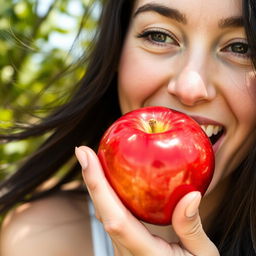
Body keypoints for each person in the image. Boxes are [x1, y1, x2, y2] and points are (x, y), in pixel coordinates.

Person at [0, 0, 256, 255]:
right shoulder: (42, 239)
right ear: (116, 50)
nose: (190, 88)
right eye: (159, 36)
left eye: (241, 47)